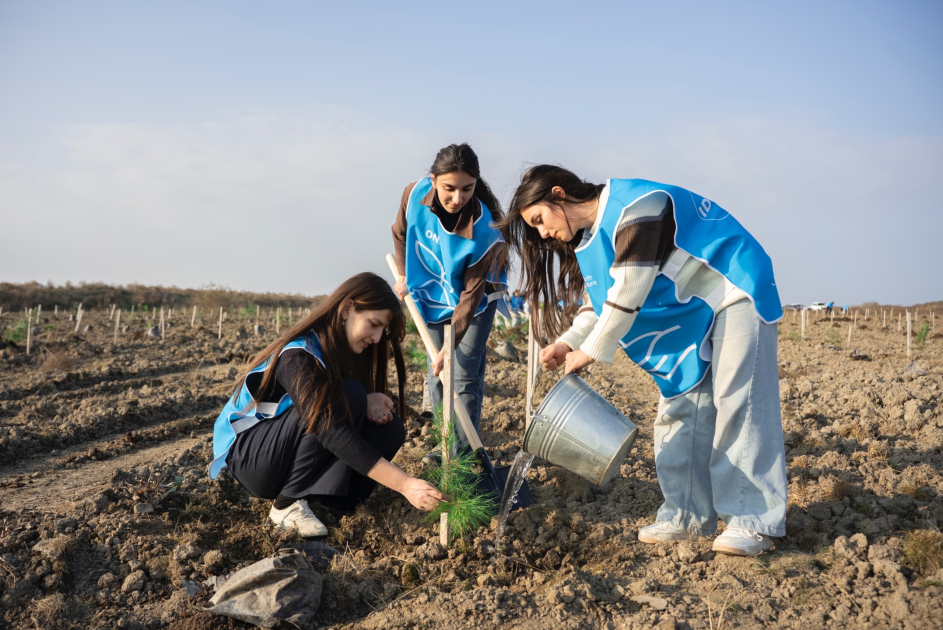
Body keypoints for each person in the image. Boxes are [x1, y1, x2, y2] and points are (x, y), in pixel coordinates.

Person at [496, 165, 787, 557]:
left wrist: (592, 350)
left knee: (738, 401)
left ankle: (752, 519)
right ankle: (685, 517)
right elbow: (602, 300)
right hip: (690, 312)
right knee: (680, 408)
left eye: (539, 220)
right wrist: (568, 343)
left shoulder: (636, 207)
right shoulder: (590, 240)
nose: (543, 233)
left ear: (558, 194)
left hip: (733, 289)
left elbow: (629, 289)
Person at [209, 273, 447, 536]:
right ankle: (286, 504)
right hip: (251, 458)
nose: (377, 338)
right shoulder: (298, 354)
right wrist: (405, 484)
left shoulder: (342, 350)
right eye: (374, 324)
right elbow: (329, 429)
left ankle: (328, 505)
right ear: (347, 309)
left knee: (390, 429)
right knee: (348, 396)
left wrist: (366, 398)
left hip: (282, 451)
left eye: (383, 330)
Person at [391, 143, 508, 453]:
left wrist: (451, 341)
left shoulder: (483, 229)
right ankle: (444, 448)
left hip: (475, 301)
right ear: (433, 180)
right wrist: (403, 273)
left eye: (467, 189)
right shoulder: (413, 195)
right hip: (432, 292)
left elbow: (470, 295)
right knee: (438, 371)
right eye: (449, 188)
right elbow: (400, 233)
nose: (458, 198)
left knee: (463, 373)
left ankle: (462, 460)